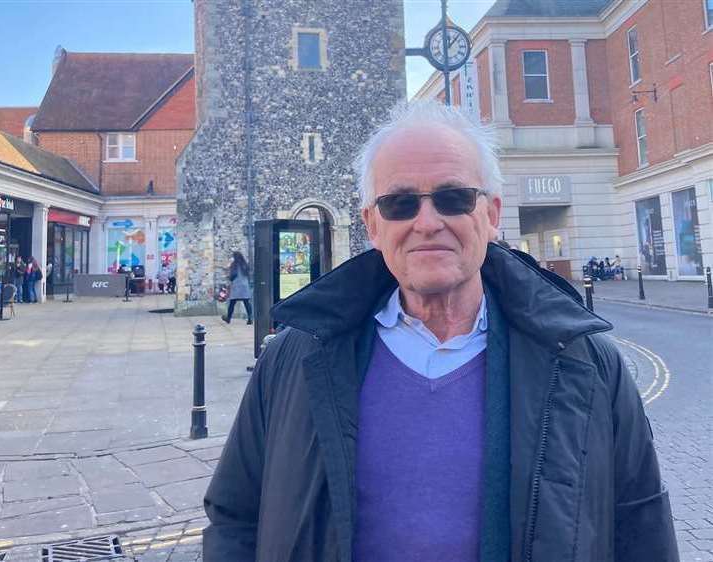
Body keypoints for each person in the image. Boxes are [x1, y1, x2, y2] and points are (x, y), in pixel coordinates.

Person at [202, 101, 677, 561]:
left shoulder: (587, 362)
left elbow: (641, 526)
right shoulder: (293, 358)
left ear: (490, 215)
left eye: (453, 198)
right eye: (399, 203)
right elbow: (235, 516)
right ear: (372, 224)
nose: (427, 223)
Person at [221, 251, 252, 325]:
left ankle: (228, 318)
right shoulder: (245, 264)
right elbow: (248, 274)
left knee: (232, 303)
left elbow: (232, 275)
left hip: (236, 286)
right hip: (244, 285)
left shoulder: (234, 265)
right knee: (246, 302)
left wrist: (228, 277)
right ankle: (250, 318)